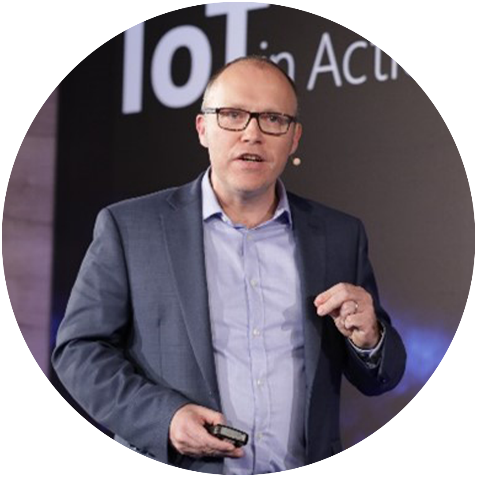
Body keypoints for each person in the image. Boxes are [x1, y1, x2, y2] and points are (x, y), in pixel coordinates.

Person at [52, 56, 406, 474]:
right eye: (233, 115)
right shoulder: (131, 227)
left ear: (294, 138)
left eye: (273, 119)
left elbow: (381, 375)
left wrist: (370, 338)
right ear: (203, 128)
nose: (252, 133)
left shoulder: (340, 234)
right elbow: (78, 351)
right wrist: (165, 419)